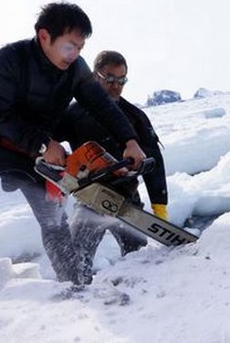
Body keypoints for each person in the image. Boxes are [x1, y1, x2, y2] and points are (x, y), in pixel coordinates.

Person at [0, 2, 146, 281]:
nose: (75, 55)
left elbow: (102, 106)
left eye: (81, 48)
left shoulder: (75, 69)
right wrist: (44, 144)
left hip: (34, 157)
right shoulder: (9, 59)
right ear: (44, 36)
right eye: (70, 46)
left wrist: (129, 139)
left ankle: (74, 284)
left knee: (54, 221)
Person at [53, 50, 168, 285]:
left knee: (139, 260)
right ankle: (76, 307)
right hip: (90, 199)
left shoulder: (134, 116)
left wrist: (160, 206)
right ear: (95, 76)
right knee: (76, 263)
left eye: (122, 80)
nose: (116, 85)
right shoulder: (74, 113)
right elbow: (47, 138)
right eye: (110, 79)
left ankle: (140, 304)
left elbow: (154, 159)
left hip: (127, 201)